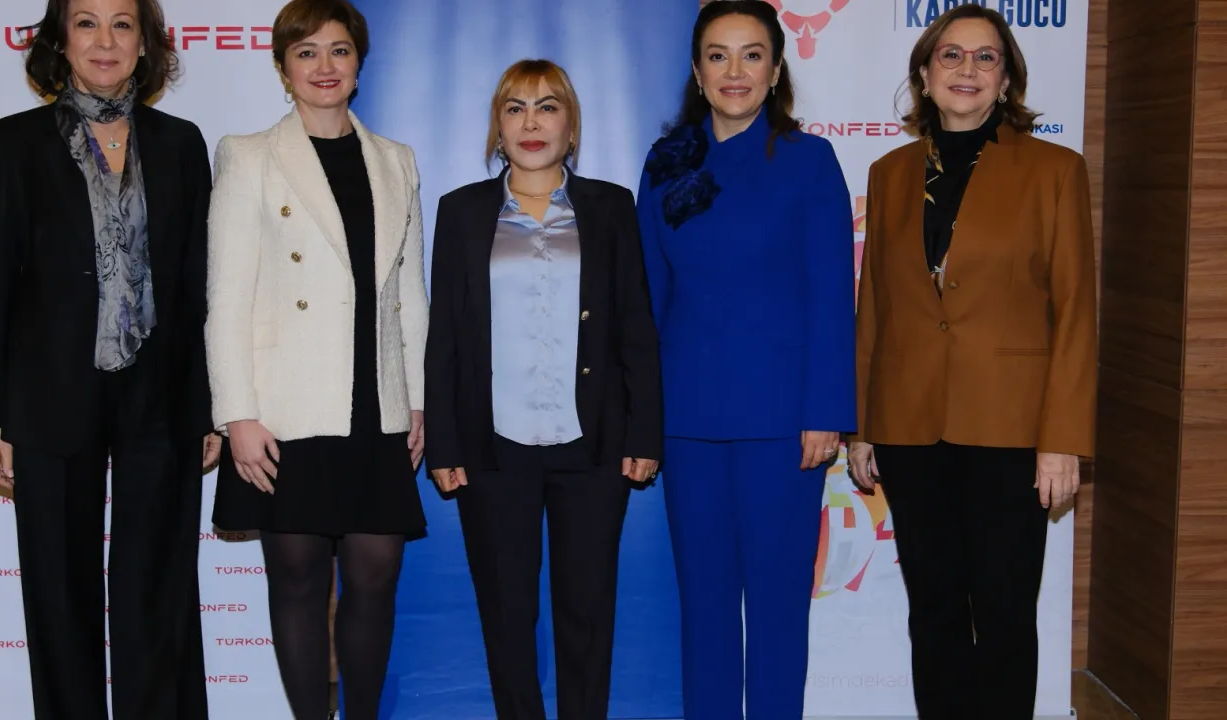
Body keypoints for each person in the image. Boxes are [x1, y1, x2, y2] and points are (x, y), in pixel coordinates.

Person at [847, 6, 1097, 719]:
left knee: (1005, 612)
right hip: (909, 425)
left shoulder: (1055, 170)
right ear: (924, 76)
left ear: (1007, 79)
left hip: (1011, 428)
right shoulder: (890, 173)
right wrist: (863, 424)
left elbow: (1076, 309)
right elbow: (876, 304)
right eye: (950, 56)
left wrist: (1063, 440)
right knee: (933, 610)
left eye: (986, 58)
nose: (967, 70)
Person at [0, 0, 217, 717]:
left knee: (156, 586)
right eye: (86, 22)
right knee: (58, 586)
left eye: (122, 24)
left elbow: (199, 284)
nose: (105, 40)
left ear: (144, 43)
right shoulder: (15, 141)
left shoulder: (181, 143)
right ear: (61, 40)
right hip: (49, 392)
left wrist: (209, 404)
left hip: (161, 394)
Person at [203, 0, 428, 716]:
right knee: (297, 582)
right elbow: (226, 296)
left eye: (339, 50)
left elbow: (409, 295)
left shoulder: (396, 160)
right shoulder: (247, 154)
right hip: (284, 410)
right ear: (282, 68)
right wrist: (236, 414)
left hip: (376, 405)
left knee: (375, 578)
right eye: (306, 52)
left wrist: (417, 400)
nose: (324, 66)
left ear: (359, 63)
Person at [635, 1, 856, 718]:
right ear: (697, 71)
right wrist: (642, 417)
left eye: (752, 54)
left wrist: (826, 411)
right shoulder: (665, 162)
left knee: (778, 608)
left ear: (776, 69)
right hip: (686, 418)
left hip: (783, 423)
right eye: (718, 55)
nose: (735, 71)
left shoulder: (808, 161)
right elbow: (647, 298)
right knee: (702, 607)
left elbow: (832, 295)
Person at [424, 59, 663, 720]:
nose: (532, 122)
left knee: (588, 611)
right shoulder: (461, 211)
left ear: (571, 126)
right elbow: (444, 334)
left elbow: (636, 326)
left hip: (592, 445)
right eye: (516, 108)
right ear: (498, 129)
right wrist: (444, 441)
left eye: (548, 106)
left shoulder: (610, 207)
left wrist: (644, 432)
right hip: (492, 446)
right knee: (506, 614)